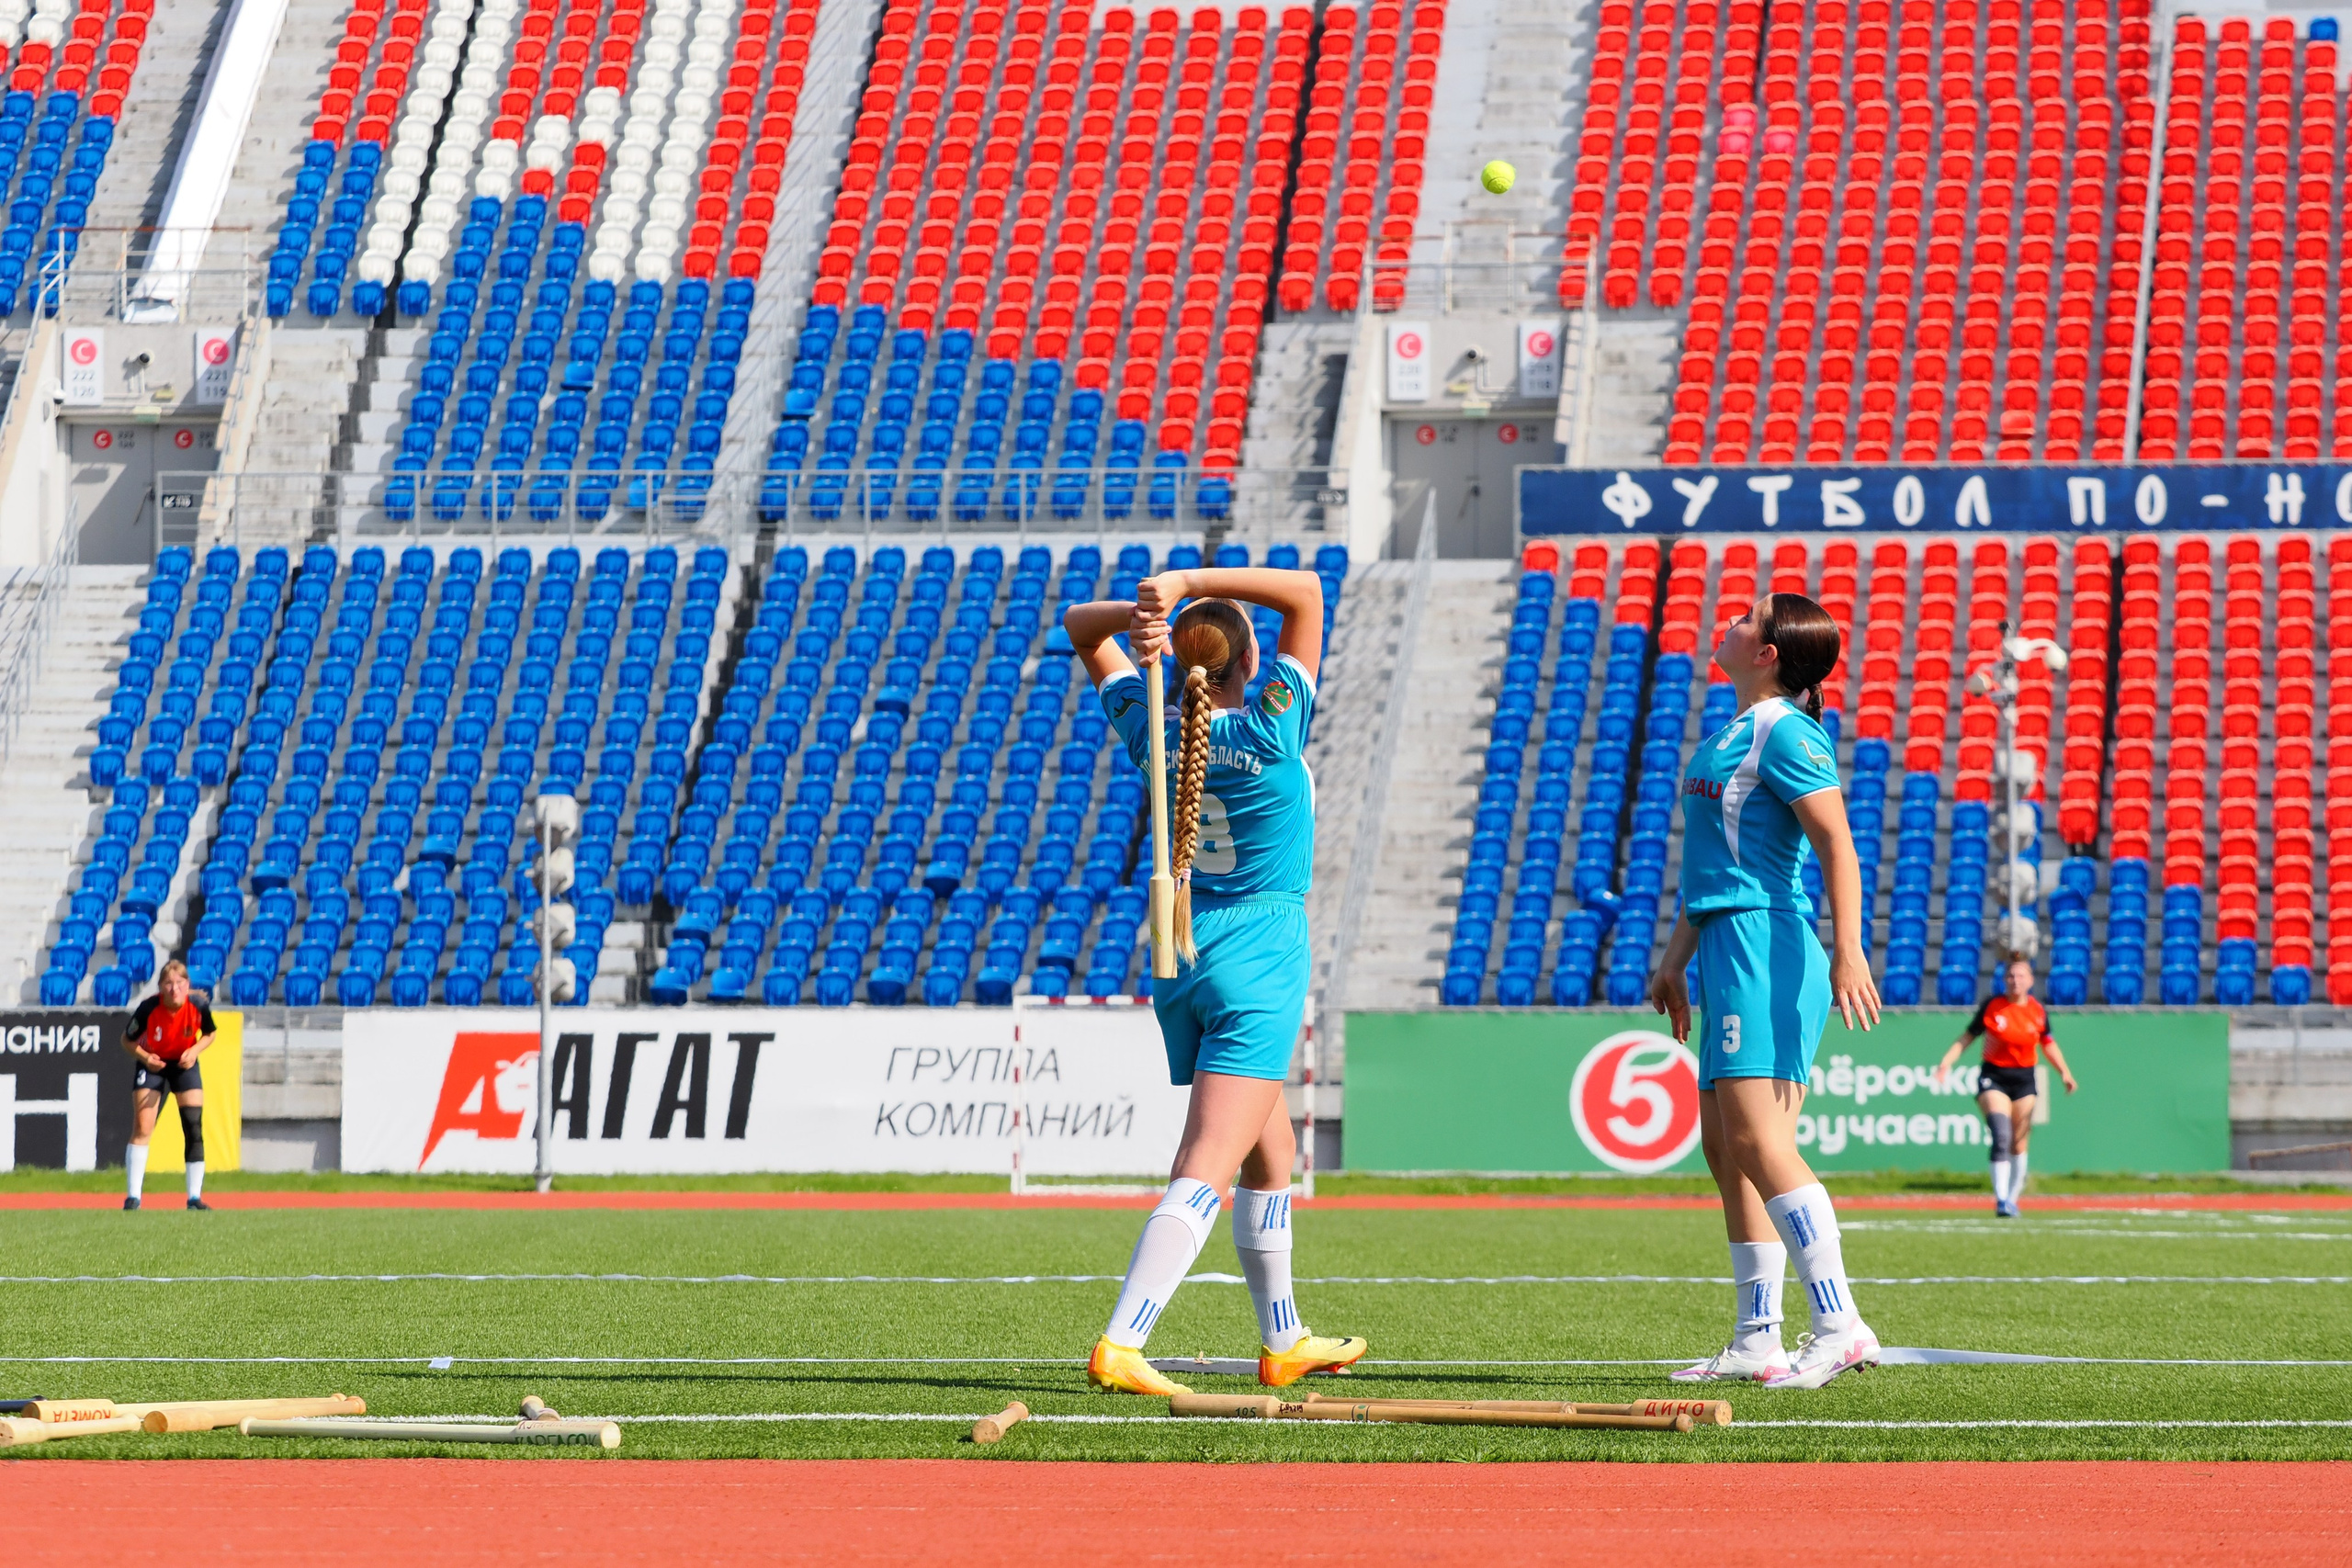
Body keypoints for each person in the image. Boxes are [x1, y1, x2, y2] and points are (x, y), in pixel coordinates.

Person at [1062, 565, 1364, 1395]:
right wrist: (1187, 582)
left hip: (1187, 949)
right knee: (1206, 1163)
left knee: (1274, 1152)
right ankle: (1123, 1340)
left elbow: (1080, 626)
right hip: (1259, 956)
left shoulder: (1154, 732)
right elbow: (1307, 591)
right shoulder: (1273, 726)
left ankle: (1284, 1338)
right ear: (1250, 663)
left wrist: (1139, 615)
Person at [1647, 593, 1884, 1389]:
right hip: (1726, 942)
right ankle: (1757, 1337)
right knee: (1726, 1147)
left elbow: (1837, 843)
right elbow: (1715, 870)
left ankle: (1841, 1323)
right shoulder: (1734, 731)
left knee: (1760, 1142)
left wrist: (1848, 951)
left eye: (1747, 616)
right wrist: (1675, 959)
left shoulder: (1786, 731)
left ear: (1770, 652)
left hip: (1768, 945)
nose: (1731, 620)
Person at [1936, 956, 2077, 1218]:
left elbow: (2048, 1044)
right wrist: (1946, 1063)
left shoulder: (2037, 1011)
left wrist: (2065, 1073)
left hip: (2024, 1079)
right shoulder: (1993, 1006)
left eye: (2021, 976)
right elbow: (1967, 1037)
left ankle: (2012, 1200)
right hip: (1994, 1077)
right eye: (2011, 976)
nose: (2015, 981)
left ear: (2031, 981)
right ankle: (2001, 1199)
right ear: (2004, 980)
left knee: (2019, 1142)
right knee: (2001, 1135)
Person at [123, 960, 215, 1212]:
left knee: (193, 1125)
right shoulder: (148, 1008)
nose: (174, 988)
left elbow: (210, 1034)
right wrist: (146, 1058)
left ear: (187, 984)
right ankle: (133, 1197)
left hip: (184, 1063)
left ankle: (194, 1198)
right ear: (161, 986)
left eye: (179, 983)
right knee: (143, 1126)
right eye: (168, 983)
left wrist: (194, 1051)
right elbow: (127, 1040)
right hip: (153, 1064)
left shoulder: (198, 1006)